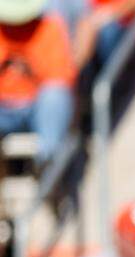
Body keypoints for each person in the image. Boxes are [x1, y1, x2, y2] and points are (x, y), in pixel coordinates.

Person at [0, 0, 74, 164]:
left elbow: (59, 78)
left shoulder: (49, 27)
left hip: (36, 108)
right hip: (3, 110)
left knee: (55, 96)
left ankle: (48, 165)